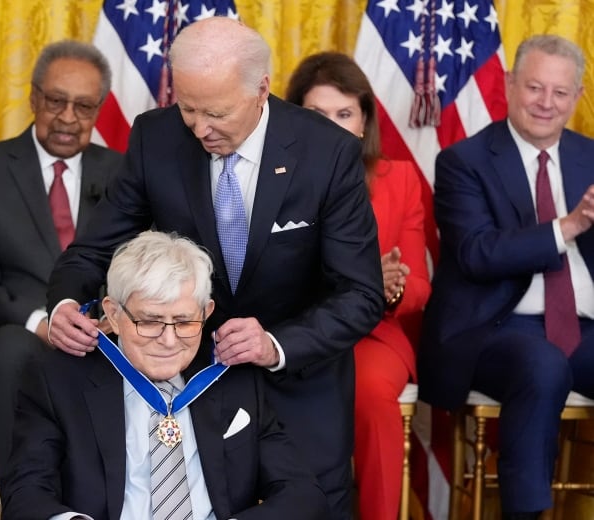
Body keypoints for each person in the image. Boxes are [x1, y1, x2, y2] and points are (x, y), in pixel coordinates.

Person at [46, 17, 384, 518]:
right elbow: (94, 249)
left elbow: (360, 294)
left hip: (299, 384)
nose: (200, 128)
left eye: (217, 113)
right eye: (188, 108)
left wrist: (275, 344)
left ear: (261, 90)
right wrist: (65, 302)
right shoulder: (155, 138)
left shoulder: (327, 152)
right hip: (193, 386)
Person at [1, 231, 328, 519]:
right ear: (113, 315)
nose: (169, 340)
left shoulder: (232, 375)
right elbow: (24, 496)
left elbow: (302, 495)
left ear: (207, 313)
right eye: (150, 321)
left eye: (185, 322)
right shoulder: (57, 380)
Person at [418, 35, 594, 520]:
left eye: (560, 93)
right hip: (495, 328)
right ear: (511, 84)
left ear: (578, 97)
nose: (546, 103)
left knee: (553, 360)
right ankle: (526, 514)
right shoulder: (463, 161)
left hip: (582, 327)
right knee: (542, 366)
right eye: (535, 87)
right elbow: (476, 253)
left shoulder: (591, 157)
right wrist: (570, 225)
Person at [0, 40, 122, 481]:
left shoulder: (124, 174)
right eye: (56, 101)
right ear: (33, 98)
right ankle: (20, 494)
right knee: (13, 349)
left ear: (99, 109)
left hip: (102, 331)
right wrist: (41, 323)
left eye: (84, 106)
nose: (67, 118)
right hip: (13, 331)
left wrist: (109, 321)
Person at [286, 51, 431, 520]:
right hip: (291, 329)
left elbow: (419, 289)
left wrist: (388, 287)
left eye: (344, 114)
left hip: (372, 333)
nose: (330, 126)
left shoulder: (400, 180)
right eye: (317, 114)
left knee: (368, 392)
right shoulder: (269, 176)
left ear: (364, 120)